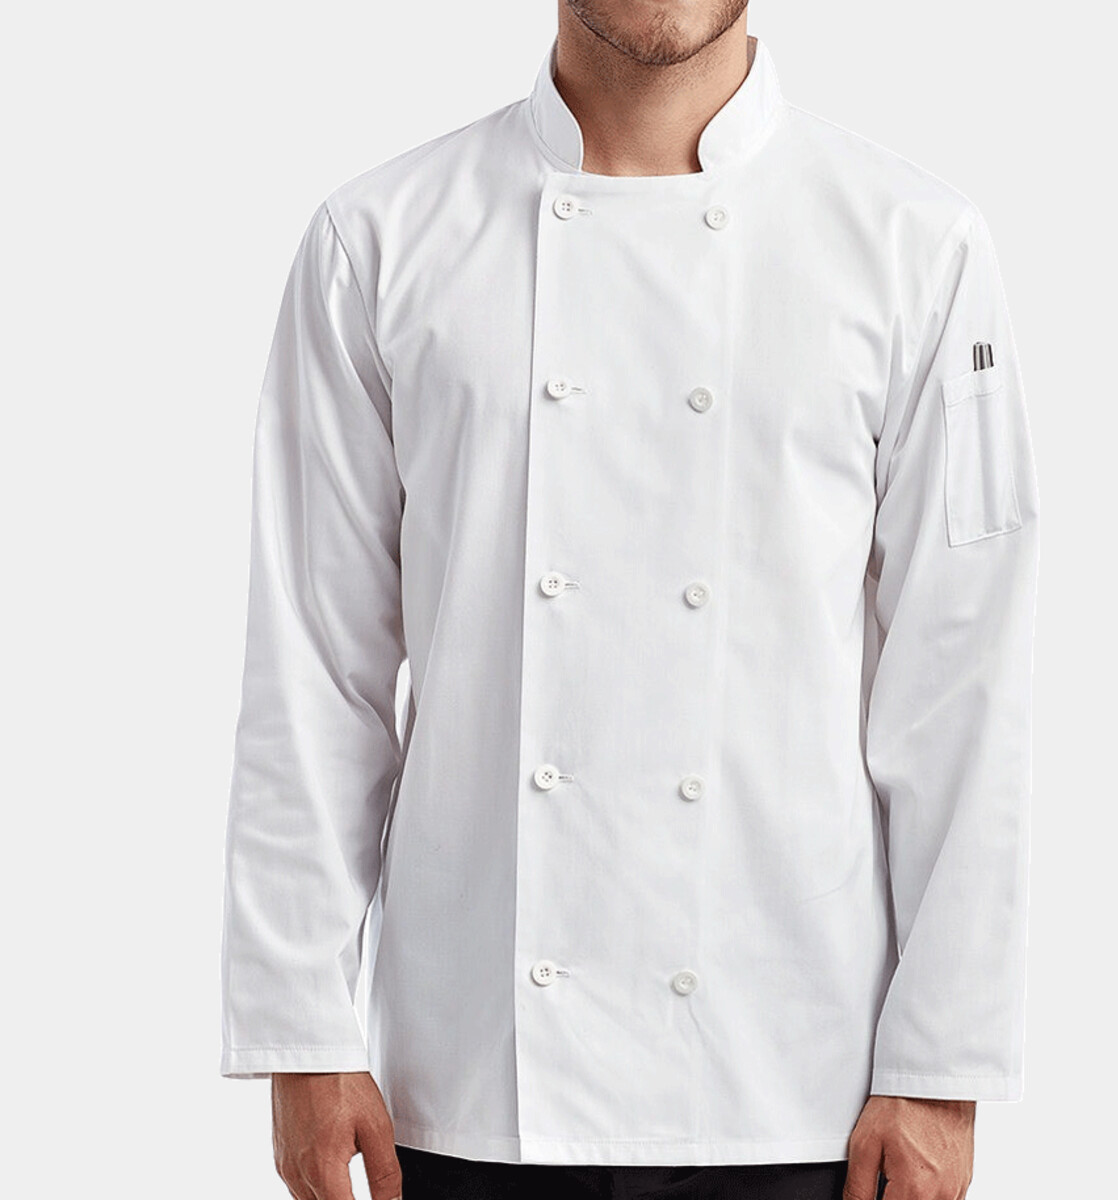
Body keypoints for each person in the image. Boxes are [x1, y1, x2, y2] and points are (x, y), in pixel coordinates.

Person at [219, 2, 1039, 1198]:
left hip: (800, 1089)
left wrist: (942, 1064)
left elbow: (965, 683)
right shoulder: (377, 240)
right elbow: (314, 664)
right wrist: (301, 1031)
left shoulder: (920, 248)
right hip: (469, 1090)